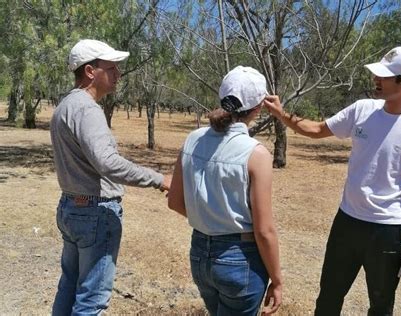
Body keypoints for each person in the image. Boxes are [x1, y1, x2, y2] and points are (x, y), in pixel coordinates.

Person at [264, 46, 401, 315]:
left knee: (381, 306)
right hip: (346, 222)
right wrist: (281, 113)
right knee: (328, 299)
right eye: (377, 74)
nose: (376, 80)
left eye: (384, 76)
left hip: (386, 229)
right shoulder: (362, 109)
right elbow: (315, 130)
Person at [50, 39, 171, 315]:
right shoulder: (87, 109)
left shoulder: (65, 106)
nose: (118, 74)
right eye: (112, 67)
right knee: (92, 299)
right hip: (95, 212)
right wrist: (158, 178)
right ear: (90, 71)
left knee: (69, 286)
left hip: (71, 207)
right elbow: (108, 163)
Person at [167, 66, 282, 315]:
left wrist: (210, 218)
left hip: (199, 254)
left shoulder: (192, 139)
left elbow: (174, 201)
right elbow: (264, 230)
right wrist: (277, 280)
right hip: (240, 259)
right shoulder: (256, 153)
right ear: (258, 107)